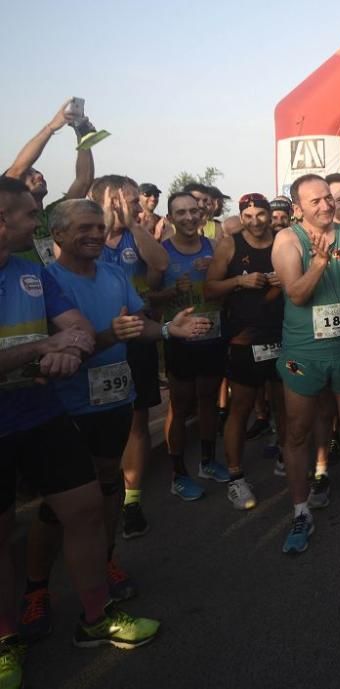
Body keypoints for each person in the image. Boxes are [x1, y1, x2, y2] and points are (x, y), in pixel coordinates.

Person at [21, 199, 207, 640]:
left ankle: (104, 560)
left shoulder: (114, 273)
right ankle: (36, 588)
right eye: (83, 227)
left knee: (107, 486)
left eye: (99, 227)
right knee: (57, 505)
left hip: (113, 398)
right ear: (58, 235)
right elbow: (68, 342)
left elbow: (134, 325)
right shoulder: (46, 280)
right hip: (63, 406)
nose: (94, 234)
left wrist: (167, 330)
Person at [0, 179, 159, 689]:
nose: (37, 222)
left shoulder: (29, 273)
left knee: (87, 508)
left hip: (40, 414)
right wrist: (43, 348)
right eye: (30, 214)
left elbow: (79, 331)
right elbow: (58, 336)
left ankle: (96, 617)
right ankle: (6, 640)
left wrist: (70, 345)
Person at [271, 174, 340, 554]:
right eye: (314, 201)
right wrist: (319, 262)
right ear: (298, 207)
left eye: (327, 198)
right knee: (298, 432)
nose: (324, 206)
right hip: (305, 354)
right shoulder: (288, 239)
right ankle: (301, 511)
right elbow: (297, 294)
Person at [90, 175, 170, 540]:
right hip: (94, 343)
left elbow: (160, 265)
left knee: (137, 420)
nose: (131, 206)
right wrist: (104, 221)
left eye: (135, 200)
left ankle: (131, 500)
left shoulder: (136, 235)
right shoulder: (86, 237)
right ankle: (96, 496)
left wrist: (135, 226)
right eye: (123, 201)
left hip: (137, 337)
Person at [204, 193, 285, 510]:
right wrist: (239, 280)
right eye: (248, 215)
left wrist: (286, 278)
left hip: (283, 332)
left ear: (269, 215)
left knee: (285, 403)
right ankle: (236, 477)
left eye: (260, 214)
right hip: (244, 337)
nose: (255, 221)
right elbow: (209, 289)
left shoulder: (283, 239)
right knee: (241, 405)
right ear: (241, 216)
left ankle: (285, 456)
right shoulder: (231, 243)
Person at [148, 192, 229, 501]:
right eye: (180, 212)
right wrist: (171, 291)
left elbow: (228, 286)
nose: (188, 217)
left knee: (208, 399)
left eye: (193, 211)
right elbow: (147, 297)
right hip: (181, 342)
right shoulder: (161, 254)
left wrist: (218, 272)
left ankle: (207, 461)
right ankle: (178, 473)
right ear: (169, 218)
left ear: (202, 215)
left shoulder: (215, 248)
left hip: (213, 337)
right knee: (180, 407)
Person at [4, 99, 97, 266]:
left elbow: (83, 181)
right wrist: (52, 126)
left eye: (38, 172)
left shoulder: (53, 214)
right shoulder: (8, 211)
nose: (39, 175)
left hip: (51, 288)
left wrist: (82, 135)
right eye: (29, 173)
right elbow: (17, 169)